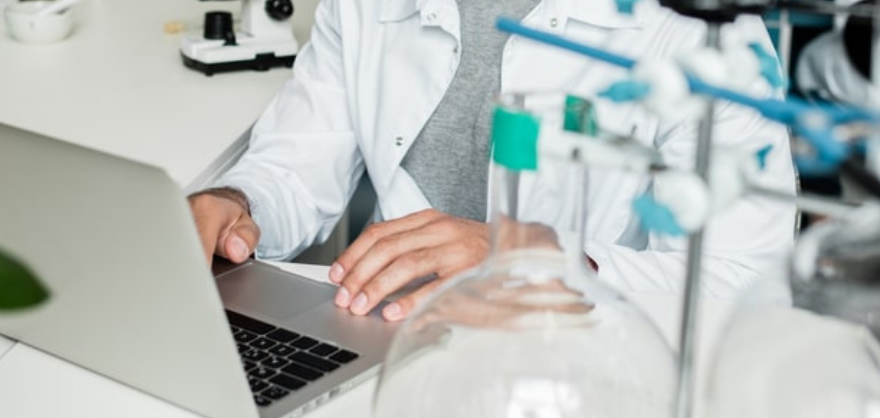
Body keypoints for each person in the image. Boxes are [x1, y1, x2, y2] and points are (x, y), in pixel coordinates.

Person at [189, 0, 797, 321]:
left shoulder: (702, 26)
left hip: (574, 360)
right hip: (381, 333)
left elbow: (748, 279)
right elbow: (296, 166)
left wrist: (547, 262)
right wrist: (238, 206)